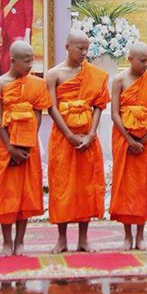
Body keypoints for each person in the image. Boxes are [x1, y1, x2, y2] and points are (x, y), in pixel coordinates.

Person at [46, 29, 109, 253]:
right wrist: (70, 135)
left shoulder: (95, 74)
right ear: (67, 48)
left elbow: (99, 106)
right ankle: (61, 239)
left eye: (86, 49)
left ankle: (83, 239)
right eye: (79, 48)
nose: (84, 53)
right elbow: (52, 108)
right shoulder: (53, 74)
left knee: (87, 187)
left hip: (88, 138)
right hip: (63, 139)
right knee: (62, 187)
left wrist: (91, 133)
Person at [0, 40, 52, 256]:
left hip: (28, 146)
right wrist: (10, 147)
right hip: (3, 145)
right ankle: (7, 241)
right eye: (26, 61)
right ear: (12, 60)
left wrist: (28, 142)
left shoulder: (36, 83)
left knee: (26, 192)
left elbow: (38, 114)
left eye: (32, 60)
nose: (30, 65)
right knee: (5, 192)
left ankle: (21, 241)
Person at [110, 42, 147, 251]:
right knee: (125, 186)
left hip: (145, 141)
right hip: (124, 140)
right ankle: (127, 235)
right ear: (129, 59)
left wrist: (144, 138)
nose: (146, 64)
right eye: (142, 60)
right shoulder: (119, 80)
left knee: (143, 186)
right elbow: (115, 113)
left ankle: (140, 235)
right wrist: (130, 140)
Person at [0, 0, 34, 77]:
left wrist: (27, 37)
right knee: (5, 61)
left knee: (19, 61)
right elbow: (0, 17)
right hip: (6, 36)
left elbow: (28, 18)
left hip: (20, 37)